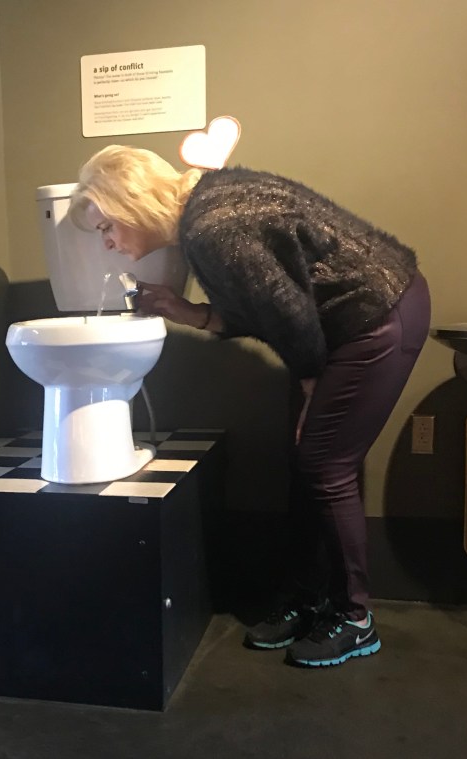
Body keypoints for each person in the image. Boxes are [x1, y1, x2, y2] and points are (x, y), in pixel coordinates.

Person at [69, 145, 431, 668]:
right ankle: (310, 596)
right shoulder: (207, 206)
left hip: (377, 314)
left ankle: (355, 618)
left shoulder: (209, 228)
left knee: (323, 463)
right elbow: (266, 306)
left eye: (106, 226)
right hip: (344, 321)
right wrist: (186, 311)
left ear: (131, 204)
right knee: (307, 459)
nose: (107, 241)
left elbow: (287, 312)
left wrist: (310, 385)